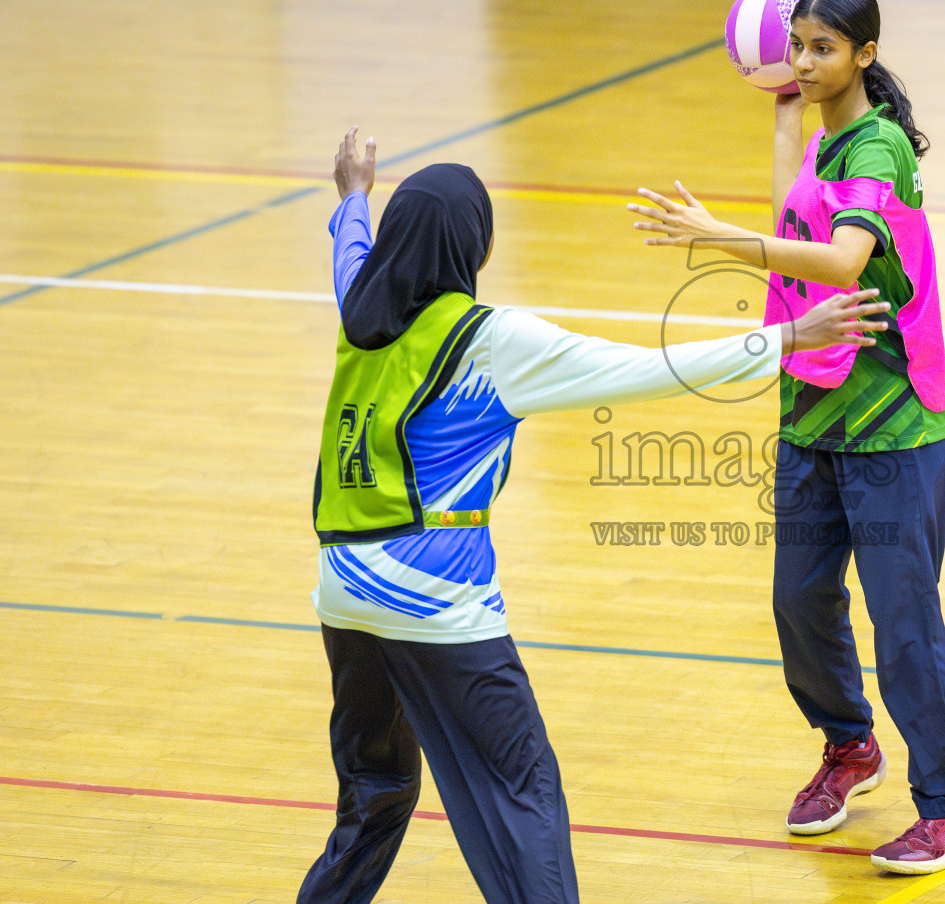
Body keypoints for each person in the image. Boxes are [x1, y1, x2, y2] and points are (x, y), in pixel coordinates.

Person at [300, 127, 889, 904]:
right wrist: (788, 336)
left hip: (340, 590)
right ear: (475, 246)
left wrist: (354, 195)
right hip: (430, 597)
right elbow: (650, 369)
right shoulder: (490, 341)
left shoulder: (361, 313)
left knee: (374, 789)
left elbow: (351, 253)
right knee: (522, 788)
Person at [627, 0, 945, 874]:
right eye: (798, 46)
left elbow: (842, 258)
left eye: (824, 48)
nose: (807, 61)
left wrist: (715, 235)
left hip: (894, 428)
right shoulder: (823, 142)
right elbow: (791, 202)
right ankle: (849, 745)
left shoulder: (879, 147)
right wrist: (782, 98)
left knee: (904, 625)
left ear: (866, 54)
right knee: (799, 601)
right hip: (812, 414)